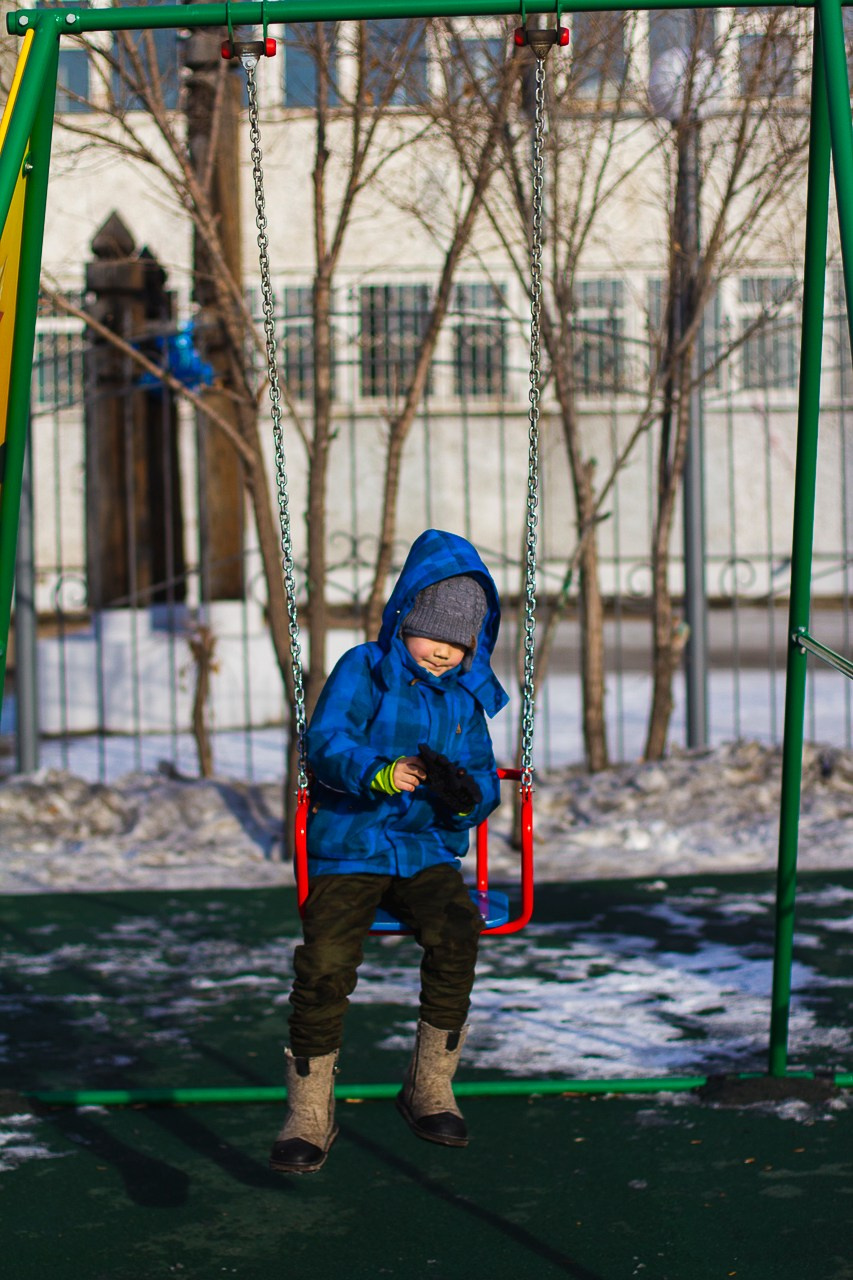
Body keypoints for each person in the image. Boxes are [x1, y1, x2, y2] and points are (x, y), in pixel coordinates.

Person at [269, 528, 509, 1174]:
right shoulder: (362, 670)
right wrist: (380, 772)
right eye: (435, 635)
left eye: (461, 644)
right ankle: (309, 1111)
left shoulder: (465, 697)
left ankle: (429, 1083)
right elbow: (326, 743)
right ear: (405, 619)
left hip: (425, 847)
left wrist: (465, 795)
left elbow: (485, 783)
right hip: (351, 846)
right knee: (324, 959)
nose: (445, 653)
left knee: (457, 931)